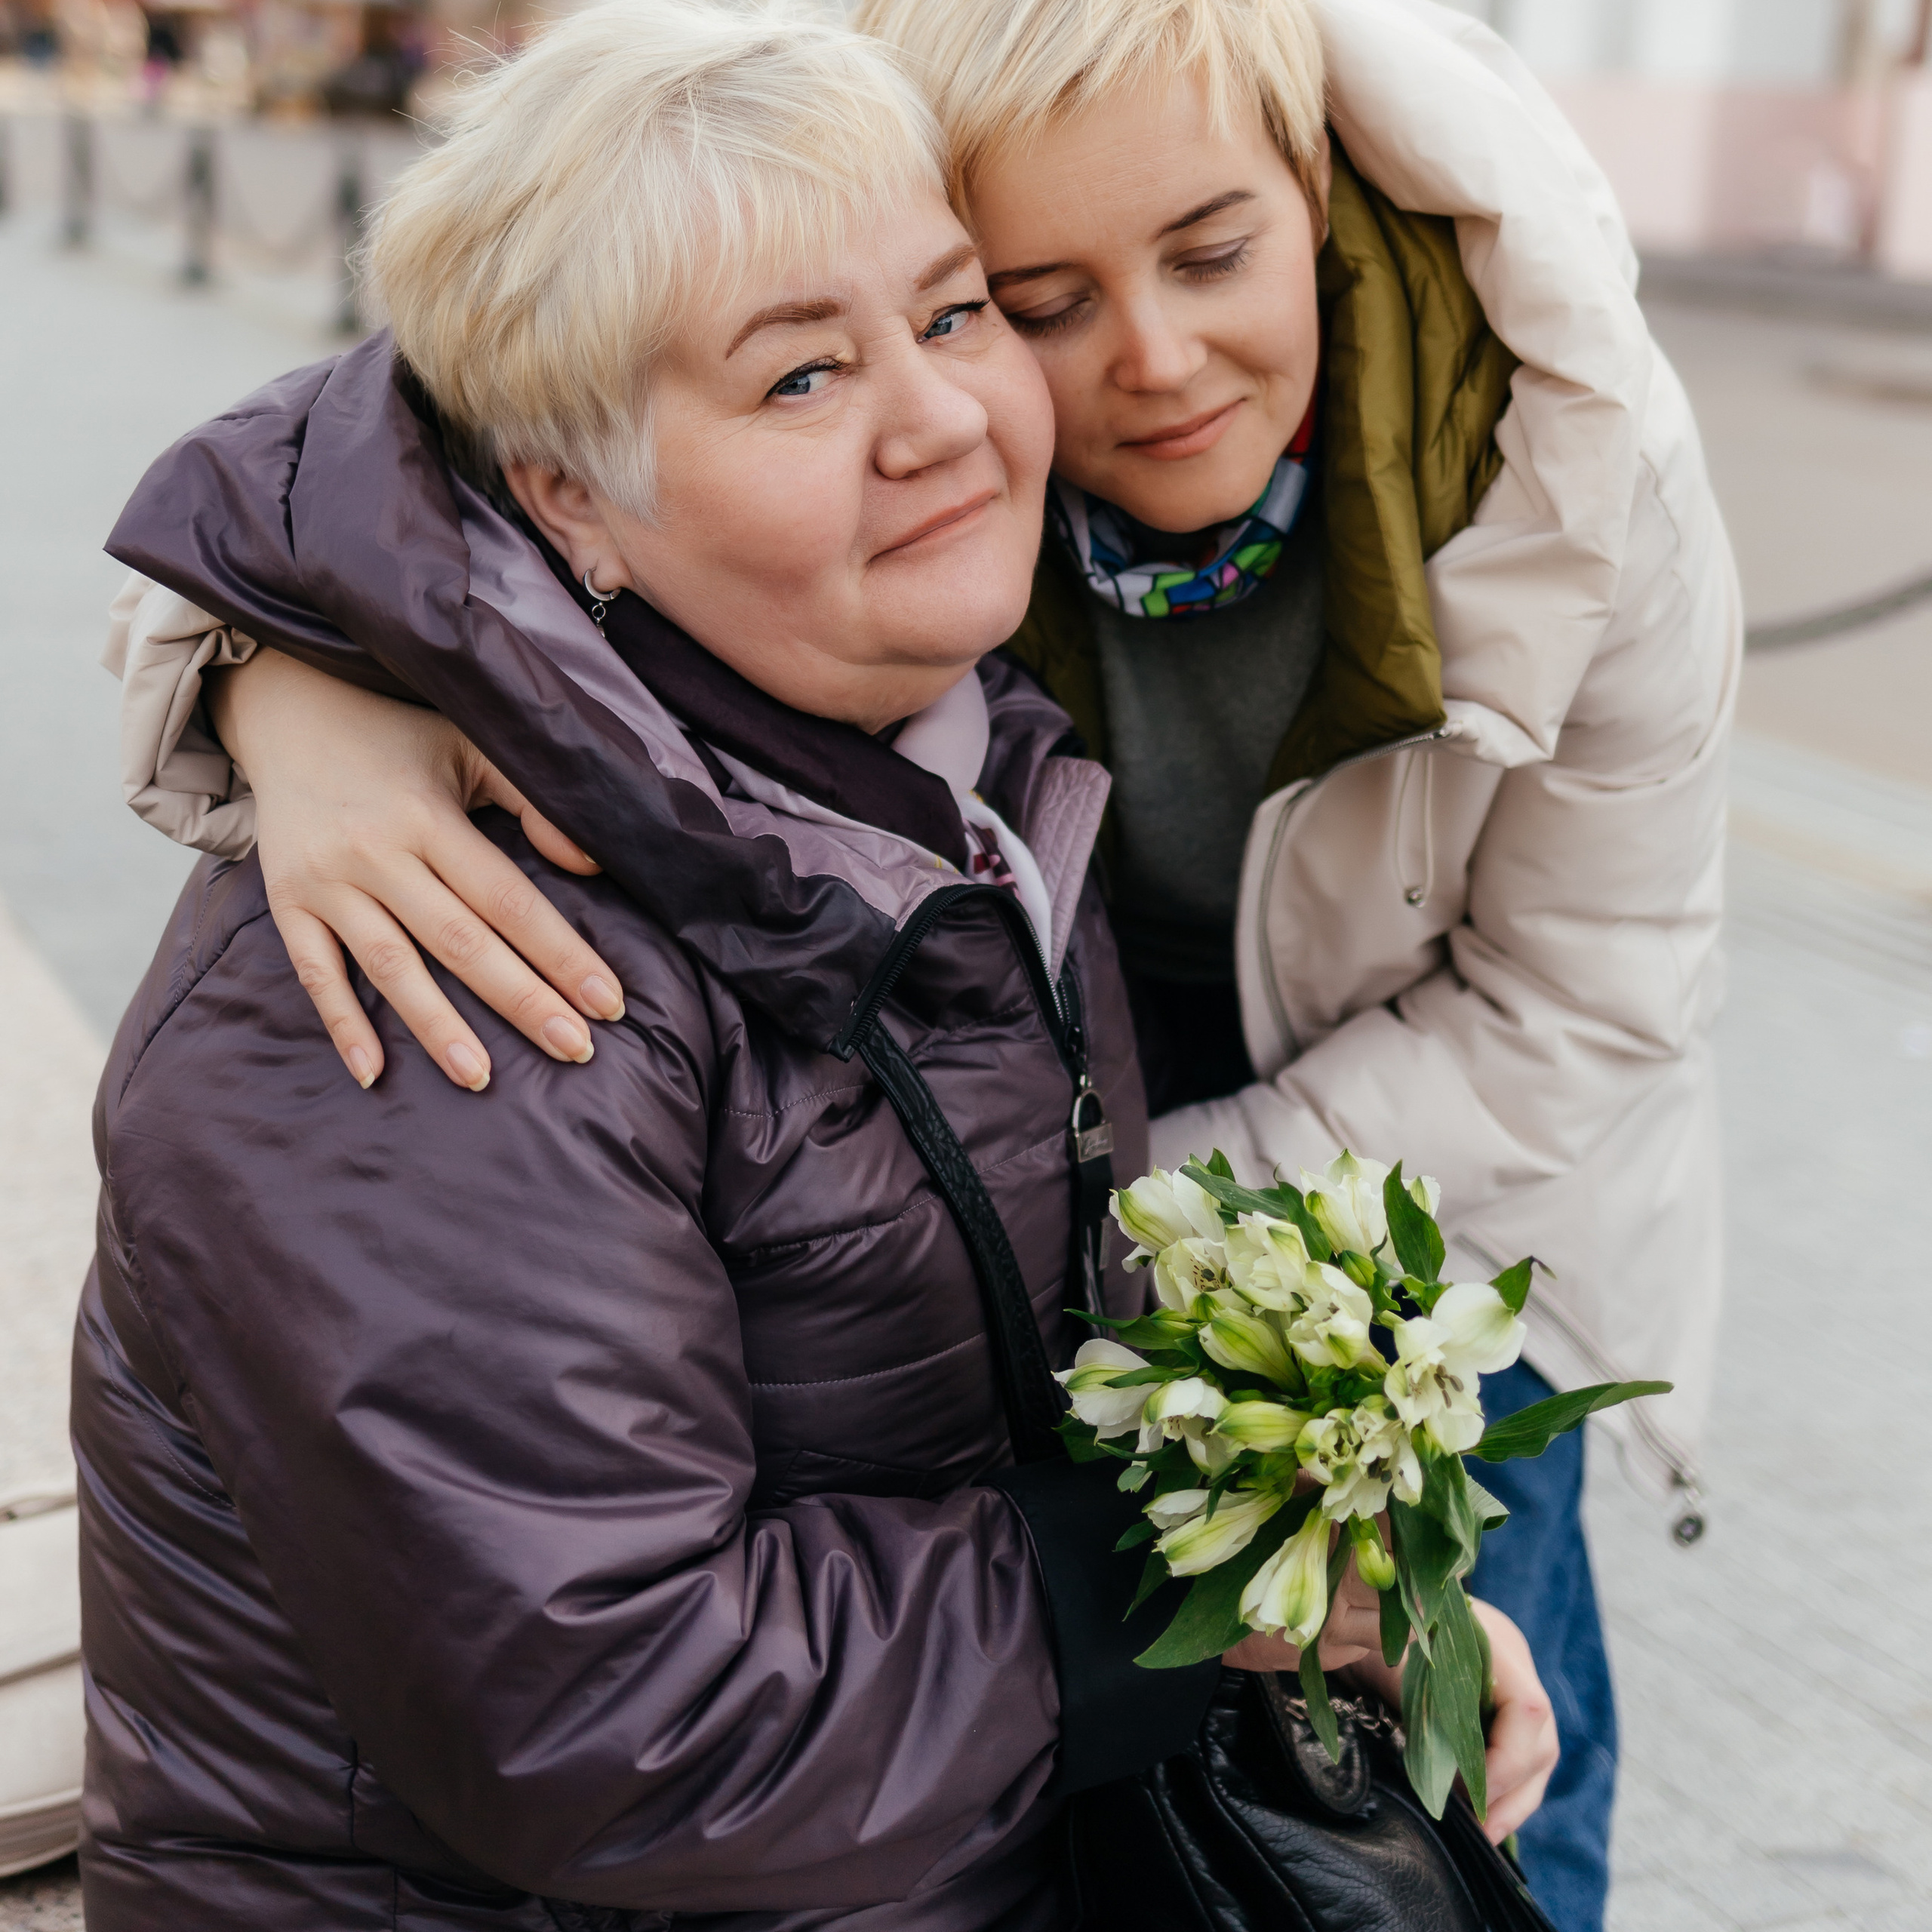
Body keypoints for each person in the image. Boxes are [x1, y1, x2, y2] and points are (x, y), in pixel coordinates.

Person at [103, 2, 1733, 1926]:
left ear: (1312, 193)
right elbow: (453, 396)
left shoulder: (975, 766)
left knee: (1490, 1789)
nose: (1099, 371)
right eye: (1026, 300)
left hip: (1418, 1175)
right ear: (559, 495)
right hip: (744, 1781)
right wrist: (286, 680)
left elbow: (1576, 1005)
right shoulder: (464, 946)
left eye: (954, 317)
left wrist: (1279, 1543)